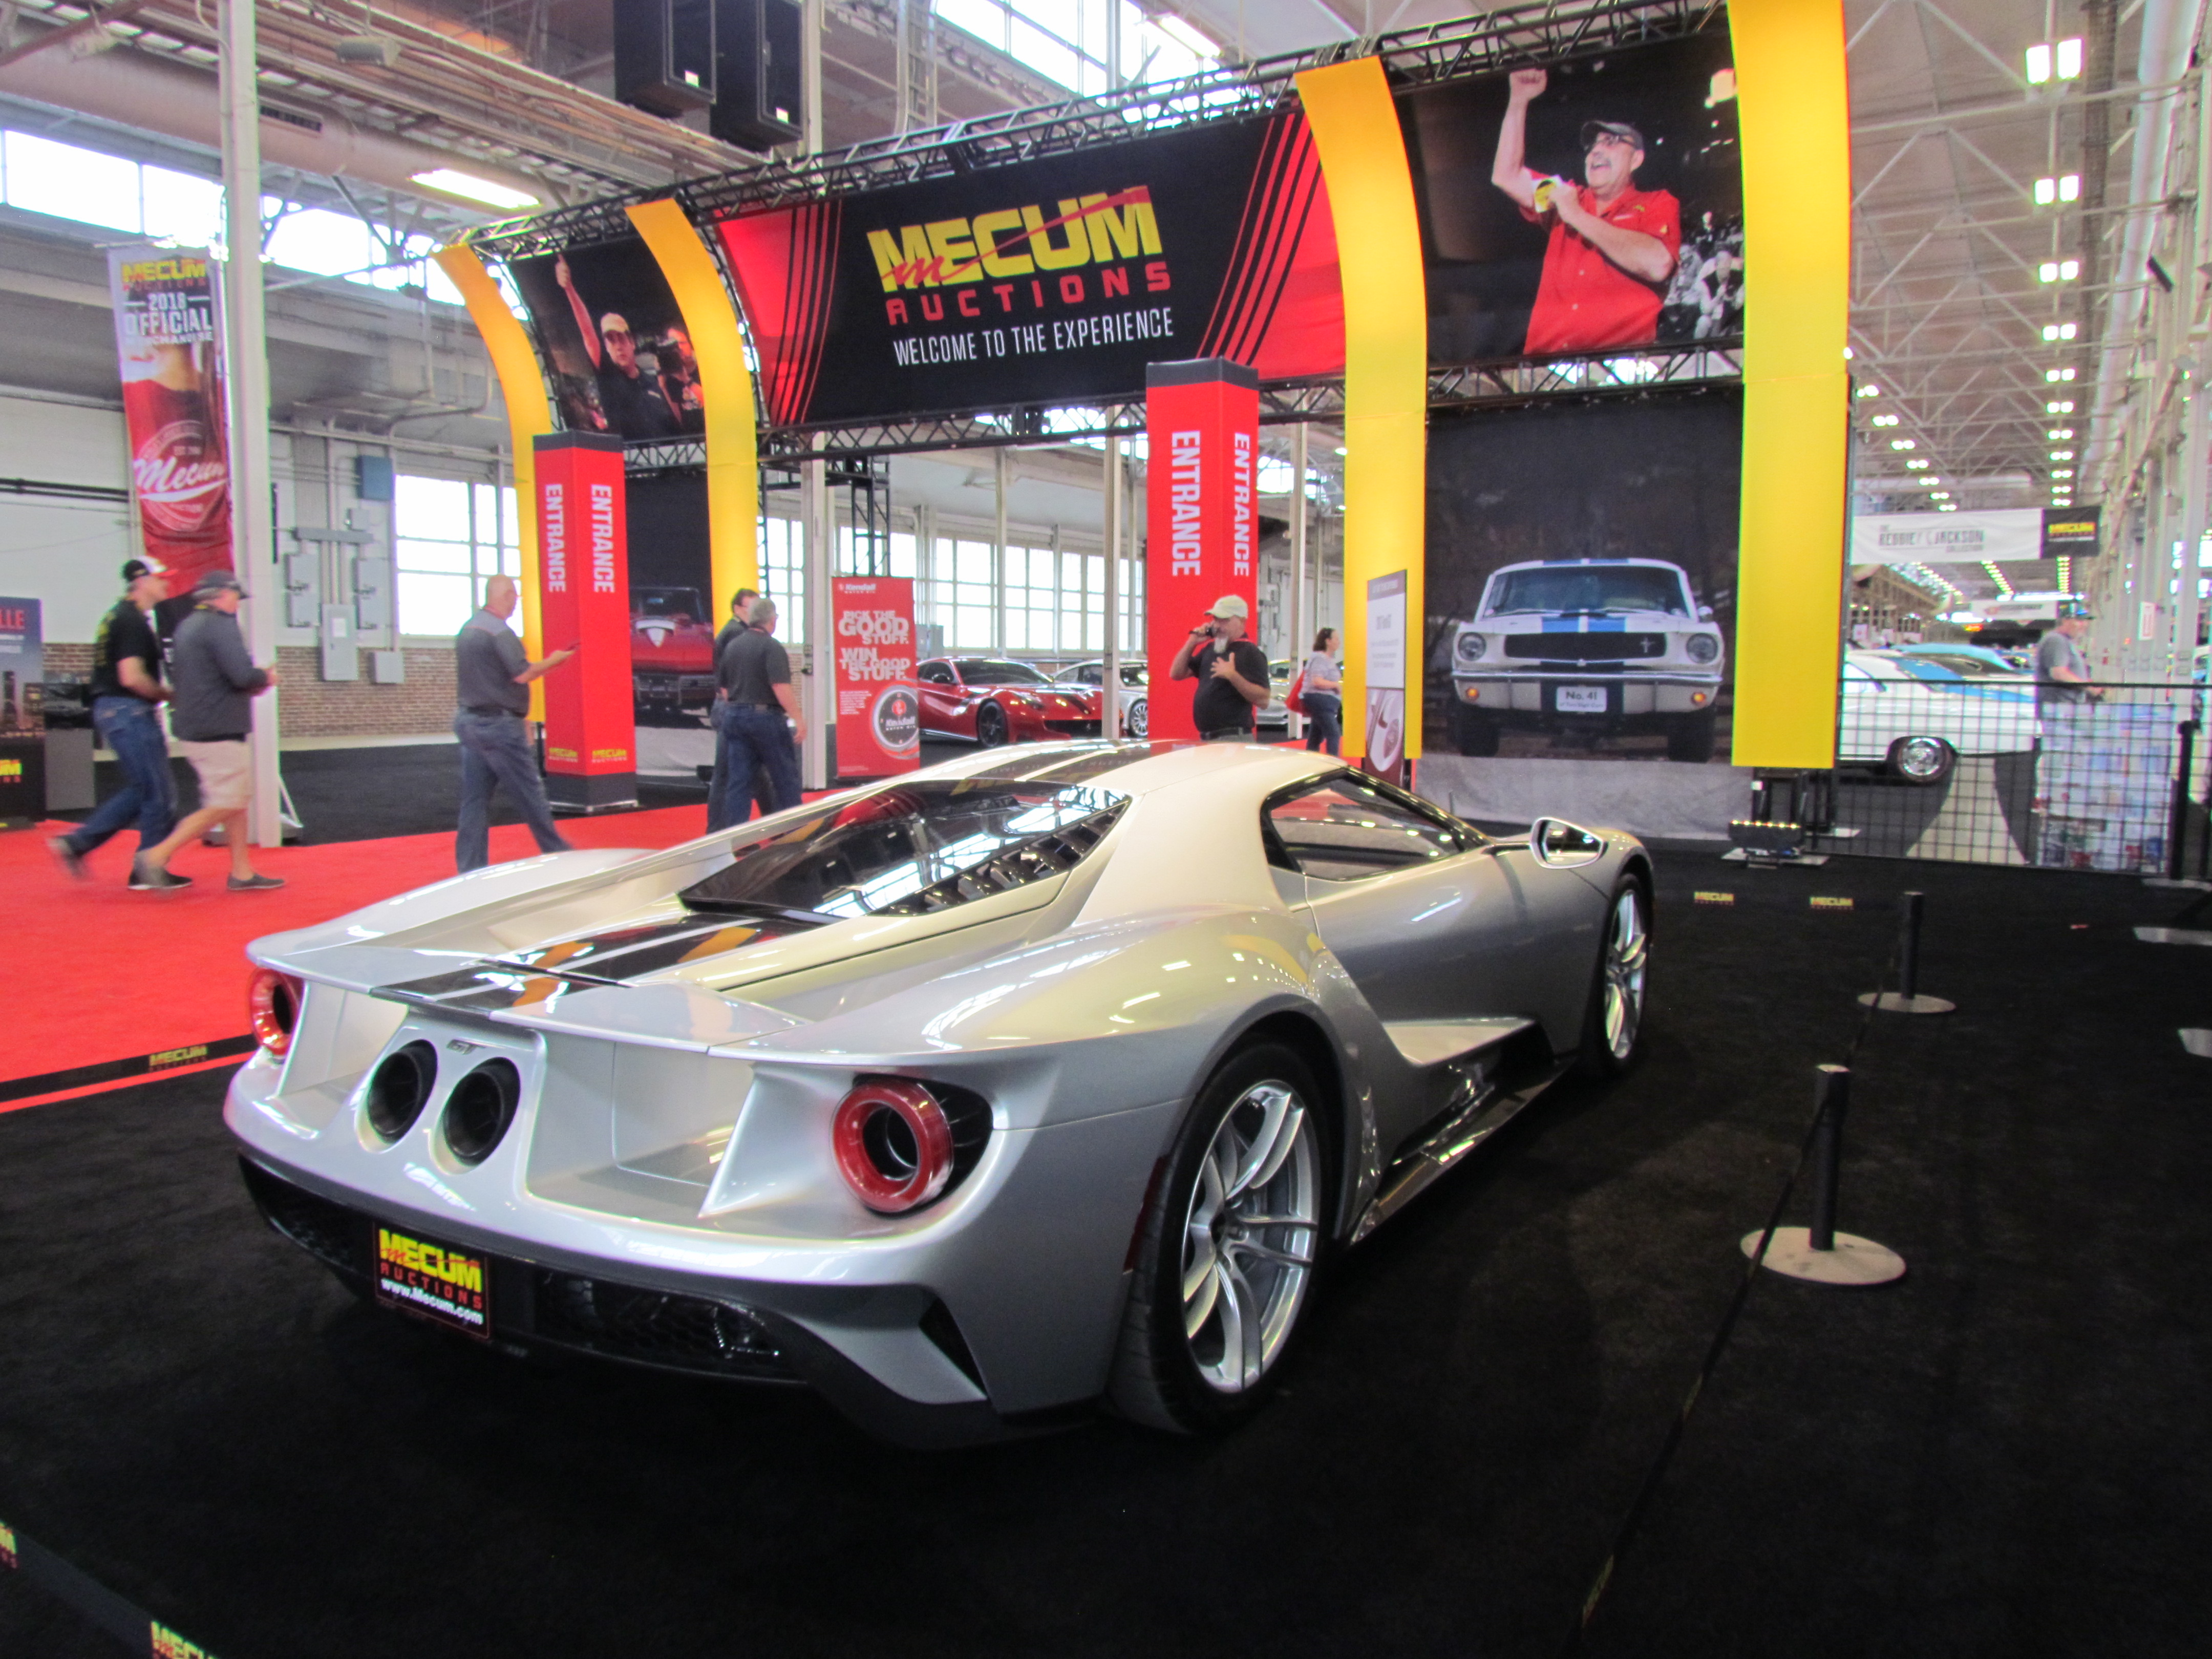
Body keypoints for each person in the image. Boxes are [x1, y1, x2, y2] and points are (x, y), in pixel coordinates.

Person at [1492, 67, 1681, 356]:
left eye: (1611, 142)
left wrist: (1577, 216)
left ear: (1636, 160)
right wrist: (1518, 100)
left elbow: (1657, 265)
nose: (1596, 151)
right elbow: (1506, 176)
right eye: (1593, 146)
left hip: (1618, 367)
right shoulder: (1566, 194)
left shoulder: (1656, 203)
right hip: (1546, 368)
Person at [129, 570, 282, 892]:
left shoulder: (189, 625)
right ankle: (156, 856)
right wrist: (265, 678)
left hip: (196, 725)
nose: (238, 604)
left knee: (235, 801)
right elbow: (242, 676)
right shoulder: (220, 626)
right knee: (227, 803)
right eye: (236, 597)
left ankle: (242, 872)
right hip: (218, 727)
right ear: (223, 595)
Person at [50, 559, 178, 882]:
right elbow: (131, 676)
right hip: (129, 710)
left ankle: (79, 843)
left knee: (146, 789)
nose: (166, 584)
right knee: (156, 793)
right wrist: (165, 695)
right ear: (141, 581)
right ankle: (147, 869)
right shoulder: (131, 621)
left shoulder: (115, 617)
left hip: (115, 710)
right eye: (161, 579)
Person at [453, 575, 578, 874]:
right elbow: (523, 674)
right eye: (515, 597)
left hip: (469, 721)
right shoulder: (500, 633)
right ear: (507, 595)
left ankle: (470, 867)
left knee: (475, 800)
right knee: (530, 794)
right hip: (499, 727)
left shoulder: (468, 629)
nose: (516, 603)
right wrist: (556, 661)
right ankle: (560, 855)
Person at [552, 255, 679, 441]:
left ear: (632, 342)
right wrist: (570, 289)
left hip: (669, 455)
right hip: (626, 457)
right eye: (611, 341)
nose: (618, 346)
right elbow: (588, 334)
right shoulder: (608, 377)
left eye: (621, 339)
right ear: (606, 347)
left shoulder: (654, 382)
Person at [712, 597, 804, 830]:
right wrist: (799, 718)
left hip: (734, 717)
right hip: (765, 718)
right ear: (772, 620)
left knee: (739, 783)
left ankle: (737, 837)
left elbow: (724, 689)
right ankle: (794, 832)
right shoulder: (772, 647)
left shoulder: (733, 646)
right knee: (785, 779)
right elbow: (780, 687)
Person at [1169, 594, 1271, 740]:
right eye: (1216, 619)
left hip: (1233, 737)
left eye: (1224, 620)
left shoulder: (1250, 653)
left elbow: (1264, 700)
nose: (1217, 626)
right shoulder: (1212, 649)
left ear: (1242, 621)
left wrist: (1233, 676)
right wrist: (1192, 643)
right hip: (1208, 737)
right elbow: (1177, 674)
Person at [705, 587, 761, 834]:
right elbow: (731, 679)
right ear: (738, 609)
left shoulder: (734, 632)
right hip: (734, 708)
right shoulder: (736, 634)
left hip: (732, 707)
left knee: (738, 774)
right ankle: (720, 830)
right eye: (752, 608)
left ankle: (721, 830)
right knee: (729, 774)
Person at [2035, 609, 2100, 706]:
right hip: (2059, 706)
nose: (2085, 625)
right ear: (2065, 621)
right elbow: (2058, 673)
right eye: (2080, 621)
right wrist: (2088, 687)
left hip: (2068, 705)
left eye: (2086, 621)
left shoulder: (2067, 641)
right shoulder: (2056, 640)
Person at [1301, 626, 1345, 756]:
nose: (1339, 642)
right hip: (1321, 701)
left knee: (1316, 736)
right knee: (1333, 734)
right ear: (1328, 641)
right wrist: (1335, 685)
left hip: (1323, 702)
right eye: (1336, 639)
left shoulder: (1325, 658)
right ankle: (1333, 761)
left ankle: (1311, 760)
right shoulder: (1321, 658)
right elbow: (1317, 681)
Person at [657, 325, 708, 435]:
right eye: (673, 346)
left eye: (682, 343)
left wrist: (687, 380)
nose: (679, 349)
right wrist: (663, 386)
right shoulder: (670, 380)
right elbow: (680, 422)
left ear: (691, 344)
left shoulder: (705, 370)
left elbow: (710, 408)